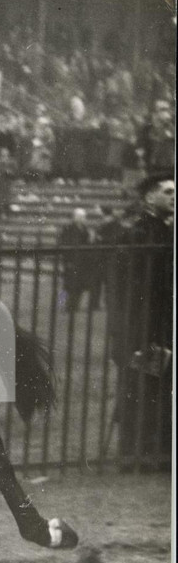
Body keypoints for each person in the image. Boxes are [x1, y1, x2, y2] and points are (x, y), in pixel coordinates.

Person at [111, 173, 174, 471]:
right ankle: (138, 457)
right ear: (150, 198)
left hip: (162, 325)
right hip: (146, 328)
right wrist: (134, 337)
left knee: (159, 393)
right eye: (167, 191)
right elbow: (132, 291)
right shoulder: (141, 233)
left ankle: (157, 455)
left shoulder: (164, 230)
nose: (174, 196)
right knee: (142, 392)